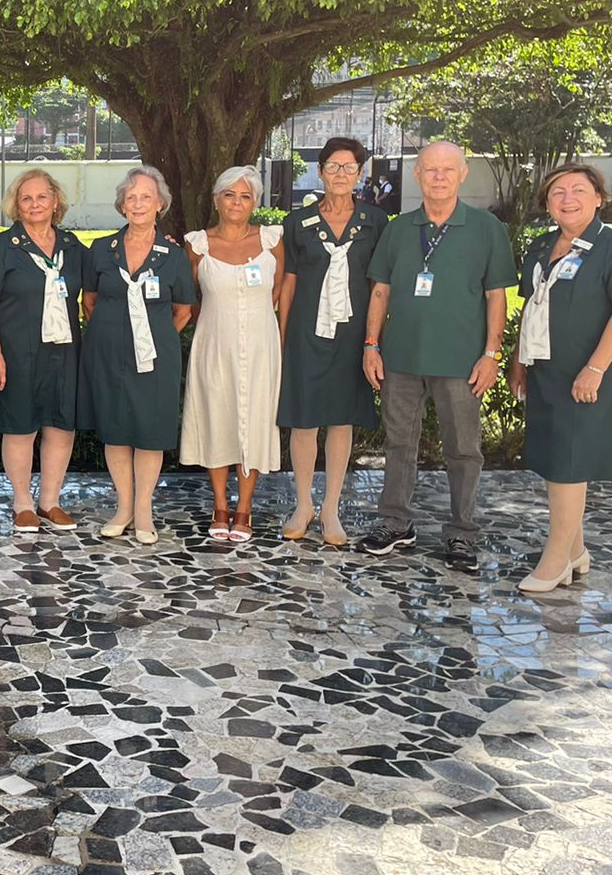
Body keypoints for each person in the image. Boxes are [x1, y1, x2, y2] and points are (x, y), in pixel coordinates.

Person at [362, 140, 515, 571]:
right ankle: (395, 522)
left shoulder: (486, 228)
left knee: (464, 450)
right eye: (430, 169)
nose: (439, 177)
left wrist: (491, 354)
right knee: (398, 444)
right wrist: (371, 345)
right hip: (401, 358)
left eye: (448, 169)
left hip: (461, 361)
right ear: (417, 175)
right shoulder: (399, 228)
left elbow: (496, 296)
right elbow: (380, 290)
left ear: (462, 174)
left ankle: (462, 532)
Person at [508, 165, 612, 593]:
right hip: (545, 370)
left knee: (569, 463)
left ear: (598, 197)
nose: (567, 199)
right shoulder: (541, 245)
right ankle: (576, 549)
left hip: (587, 375)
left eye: (578, 190)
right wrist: (518, 361)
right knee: (556, 461)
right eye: (557, 192)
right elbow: (531, 306)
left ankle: (555, 560)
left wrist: (595, 368)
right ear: (547, 204)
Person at [276, 138, 388, 547]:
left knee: (342, 418)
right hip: (306, 331)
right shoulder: (298, 222)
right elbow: (289, 282)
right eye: (333, 167)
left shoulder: (376, 222)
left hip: (353, 334)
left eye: (349, 167)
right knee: (304, 420)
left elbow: (380, 285)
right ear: (320, 172)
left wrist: (374, 340)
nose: (341, 174)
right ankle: (303, 504)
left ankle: (331, 508)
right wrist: (283, 337)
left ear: (360, 173)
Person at [79, 166, 195, 543]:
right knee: (115, 430)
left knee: (149, 431)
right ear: (122, 205)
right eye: (131, 198)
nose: (139, 204)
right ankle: (124, 507)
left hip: (155, 359)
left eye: (146, 197)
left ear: (160, 204)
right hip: (108, 354)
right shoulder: (102, 249)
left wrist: (151, 338)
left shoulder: (173, 255)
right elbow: (89, 301)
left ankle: (144, 511)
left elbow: (184, 311)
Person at [0, 169, 85, 531]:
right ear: (16, 206)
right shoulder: (2, 247)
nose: (35, 204)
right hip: (17, 354)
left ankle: (50, 501)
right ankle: (22, 502)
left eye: (42, 197)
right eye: (26, 198)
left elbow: (109, 274)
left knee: (60, 426)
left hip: (64, 353)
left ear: (55, 202)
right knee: (20, 427)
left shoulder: (72, 248)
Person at [180, 165, 285, 543]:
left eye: (245, 196)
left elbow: (277, 291)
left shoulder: (272, 240)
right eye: (229, 195)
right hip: (214, 344)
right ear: (216, 200)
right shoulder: (198, 245)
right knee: (217, 419)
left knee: (253, 420)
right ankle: (221, 506)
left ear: (255, 202)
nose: (237, 203)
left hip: (260, 346)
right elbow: (189, 298)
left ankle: (245, 508)